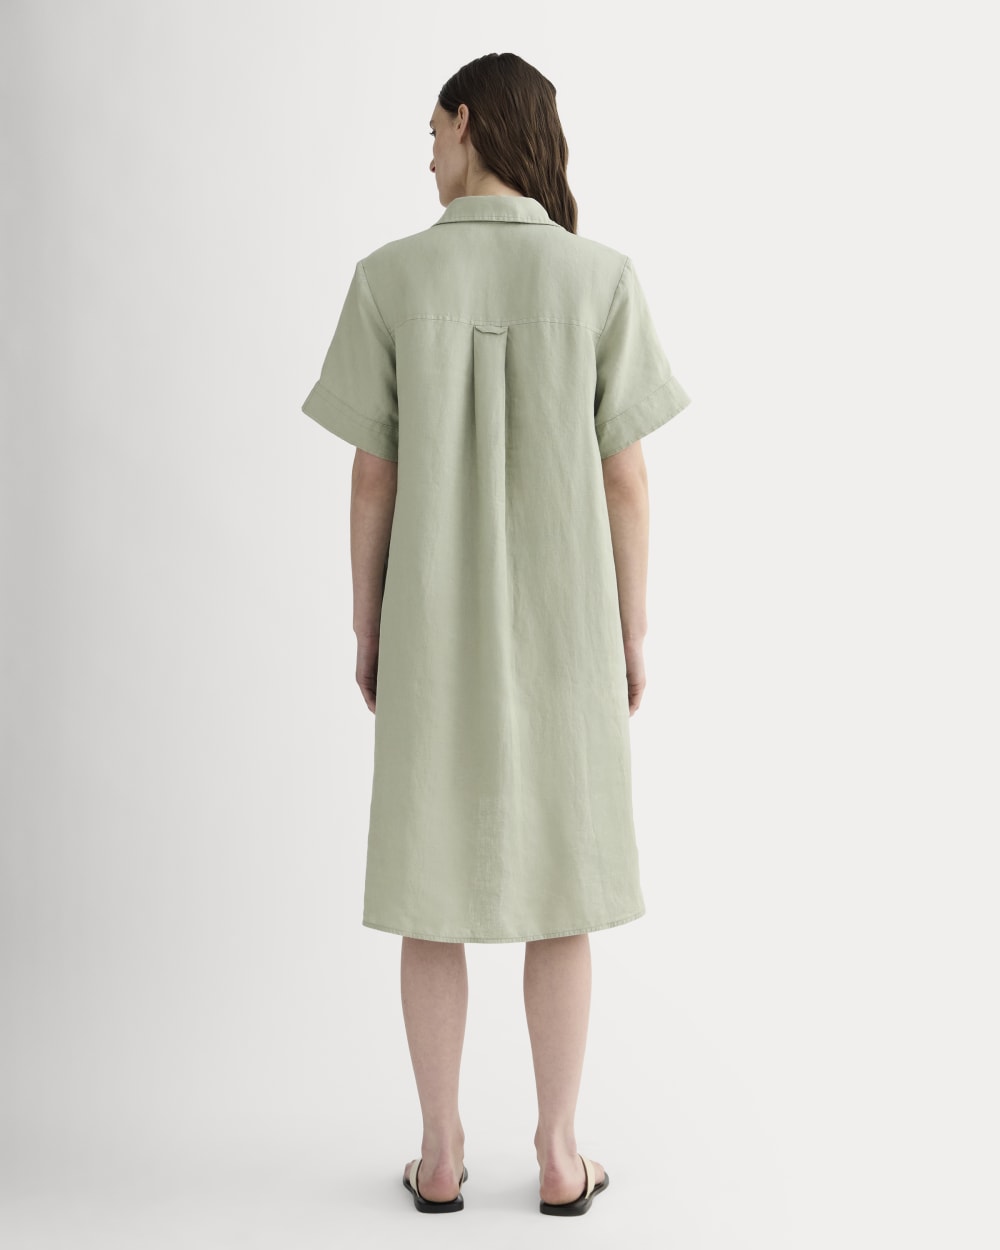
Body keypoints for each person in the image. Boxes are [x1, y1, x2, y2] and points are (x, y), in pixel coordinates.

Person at [300, 52, 692, 1216]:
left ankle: (438, 1154)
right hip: (569, 634)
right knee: (560, 888)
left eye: (431, 130)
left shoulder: (387, 278)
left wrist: (367, 624)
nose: (426, 153)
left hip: (429, 629)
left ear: (469, 123)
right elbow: (626, 478)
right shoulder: (600, 277)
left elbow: (372, 475)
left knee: (432, 886)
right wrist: (630, 629)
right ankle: (561, 1155)